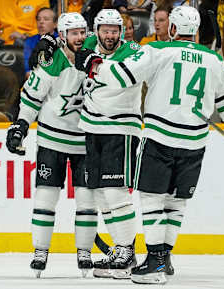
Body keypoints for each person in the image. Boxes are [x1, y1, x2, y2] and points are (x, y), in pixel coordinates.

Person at [75, 5, 224, 284]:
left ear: (172, 29)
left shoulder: (157, 51)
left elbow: (121, 76)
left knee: (152, 198)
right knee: (176, 202)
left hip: (160, 137)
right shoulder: (214, 59)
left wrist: (93, 64)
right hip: (195, 139)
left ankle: (155, 261)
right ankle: (164, 258)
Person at [29, 8, 143, 280]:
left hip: (120, 129)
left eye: (115, 30)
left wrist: (95, 64)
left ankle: (127, 251)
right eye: (104, 30)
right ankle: (122, 251)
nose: (109, 35)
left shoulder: (134, 51)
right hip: (95, 131)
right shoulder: (91, 42)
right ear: (97, 30)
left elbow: (122, 72)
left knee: (114, 194)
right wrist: (46, 41)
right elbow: (72, 42)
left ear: (122, 31)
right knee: (102, 194)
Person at [5, 12, 97, 278]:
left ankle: (84, 252)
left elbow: (115, 38)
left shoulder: (95, 48)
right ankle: (40, 250)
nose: (79, 37)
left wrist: (46, 37)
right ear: (63, 36)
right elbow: (32, 97)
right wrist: (21, 125)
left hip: (84, 139)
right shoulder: (50, 59)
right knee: (46, 197)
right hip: (52, 138)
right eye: (73, 33)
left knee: (86, 199)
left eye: (83, 32)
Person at [24, 7, 58, 79]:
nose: (41, 22)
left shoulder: (62, 41)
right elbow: (27, 71)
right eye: (38, 19)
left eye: (46, 19)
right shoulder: (30, 41)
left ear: (55, 24)